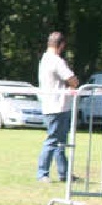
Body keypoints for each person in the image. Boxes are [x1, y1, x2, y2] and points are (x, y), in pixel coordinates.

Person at [36, 31, 79, 183]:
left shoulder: (44, 59)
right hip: (58, 106)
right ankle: (42, 173)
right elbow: (72, 80)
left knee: (60, 142)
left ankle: (64, 173)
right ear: (61, 45)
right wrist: (74, 83)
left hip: (50, 105)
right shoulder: (56, 61)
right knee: (53, 141)